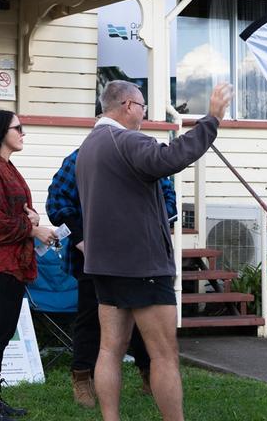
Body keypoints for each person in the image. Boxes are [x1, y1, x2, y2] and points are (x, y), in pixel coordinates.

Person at [77, 80, 231, 421]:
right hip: (142, 265)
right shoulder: (126, 140)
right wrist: (212, 119)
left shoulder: (88, 146)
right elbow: (171, 157)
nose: (145, 113)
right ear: (128, 106)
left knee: (109, 349)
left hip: (104, 265)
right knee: (164, 354)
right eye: (143, 106)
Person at [47, 148, 178, 407]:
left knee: (145, 319)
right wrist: (82, 238)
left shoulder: (145, 154)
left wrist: (153, 229)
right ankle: (82, 379)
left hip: (142, 257)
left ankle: (149, 376)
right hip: (95, 258)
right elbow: (57, 203)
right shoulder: (84, 156)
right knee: (90, 318)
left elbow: (168, 199)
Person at [0, 108, 58, 421]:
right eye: (18, 127)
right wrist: (32, 228)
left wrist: (29, 217)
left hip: (11, 261)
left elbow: (11, 211)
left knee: (3, 332)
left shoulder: (6, 167)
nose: (23, 132)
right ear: (0, 133)